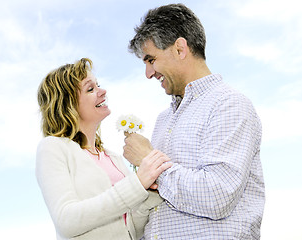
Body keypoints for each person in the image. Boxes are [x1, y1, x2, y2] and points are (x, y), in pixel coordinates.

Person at [124, 4, 265, 239]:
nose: (148, 73)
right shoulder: (163, 119)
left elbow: (217, 196)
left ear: (180, 48)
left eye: (151, 60)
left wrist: (149, 162)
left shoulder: (229, 104)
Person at [35, 58, 172, 240]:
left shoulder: (112, 157)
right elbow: (66, 221)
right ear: (68, 105)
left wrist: (147, 196)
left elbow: (130, 231)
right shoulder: (53, 148)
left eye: (98, 85)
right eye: (90, 89)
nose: (103, 91)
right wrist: (137, 184)